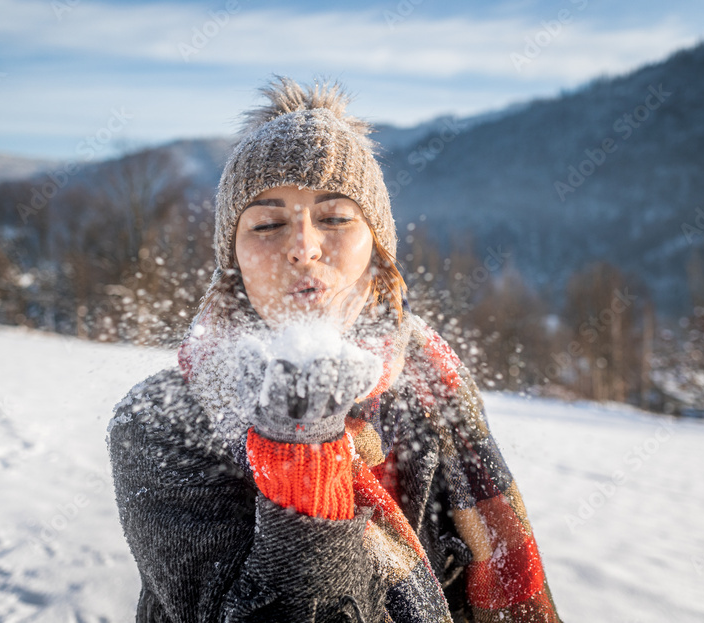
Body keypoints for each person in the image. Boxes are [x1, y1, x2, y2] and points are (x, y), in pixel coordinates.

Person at [108, 76, 564, 623]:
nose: (303, 247)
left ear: (379, 249)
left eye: (336, 217)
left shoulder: (431, 383)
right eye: (268, 222)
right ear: (233, 263)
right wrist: (299, 450)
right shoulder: (160, 423)